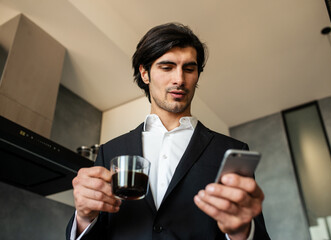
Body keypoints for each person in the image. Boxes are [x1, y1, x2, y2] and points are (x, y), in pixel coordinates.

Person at [66, 22, 270, 240]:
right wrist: (84, 218)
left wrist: (241, 232)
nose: (179, 80)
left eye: (189, 69)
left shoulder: (230, 150)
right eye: (167, 67)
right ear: (145, 73)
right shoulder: (110, 151)